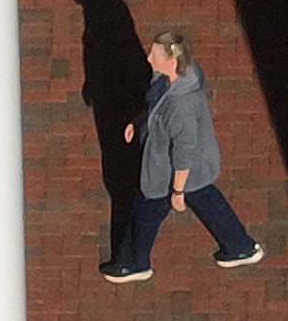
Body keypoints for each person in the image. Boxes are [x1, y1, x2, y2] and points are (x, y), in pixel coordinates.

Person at [100, 29, 263, 282]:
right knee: (208, 201)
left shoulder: (181, 106)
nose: (148, 59)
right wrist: (140, 120)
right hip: (195, 169)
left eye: (154, 55)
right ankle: (240, 247)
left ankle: (133, 263)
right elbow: (157, 105)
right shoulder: (176, 78)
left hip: (169, 173)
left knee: (145, 210)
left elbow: (183, 152)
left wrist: (177, 192)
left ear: (172, 61)